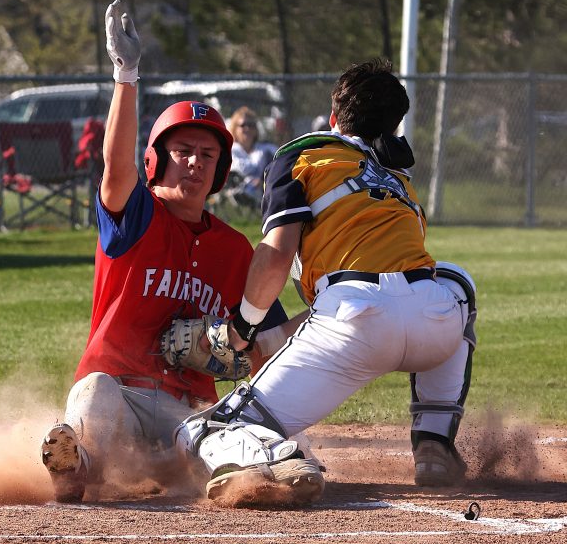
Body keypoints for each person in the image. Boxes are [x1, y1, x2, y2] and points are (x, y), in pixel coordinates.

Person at [175, 58, 477, 504]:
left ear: (334, 117)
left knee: (202, 429)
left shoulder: (304, 155)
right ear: (394, 127)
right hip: (436, 325)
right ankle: (434, 442)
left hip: (352, 326)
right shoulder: (399, 181)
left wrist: (241, 329)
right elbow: (389, 289)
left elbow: (277, 255)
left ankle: (278, 458)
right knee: (456, 280)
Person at [38, 0, 291, 503]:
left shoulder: (234, 249)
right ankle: (77, 465)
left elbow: (275, 340)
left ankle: (255, 471)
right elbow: (115, 168)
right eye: (183, 152)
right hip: (119, 391)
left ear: (221, 170)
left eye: (208, 155)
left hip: (187, 406)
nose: (195, 163)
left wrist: (337, 312)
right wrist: (126, 75)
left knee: (219, 429)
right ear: (156, 160)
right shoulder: (137, 217)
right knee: (93, 390)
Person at [225, 106, 276, 208]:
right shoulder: (229, 150)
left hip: (264, 193)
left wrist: (262, 180)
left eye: (251, 125)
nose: (247, 128)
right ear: (235, 128)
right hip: (234, 195)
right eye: (243, 125)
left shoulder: (265, 149)